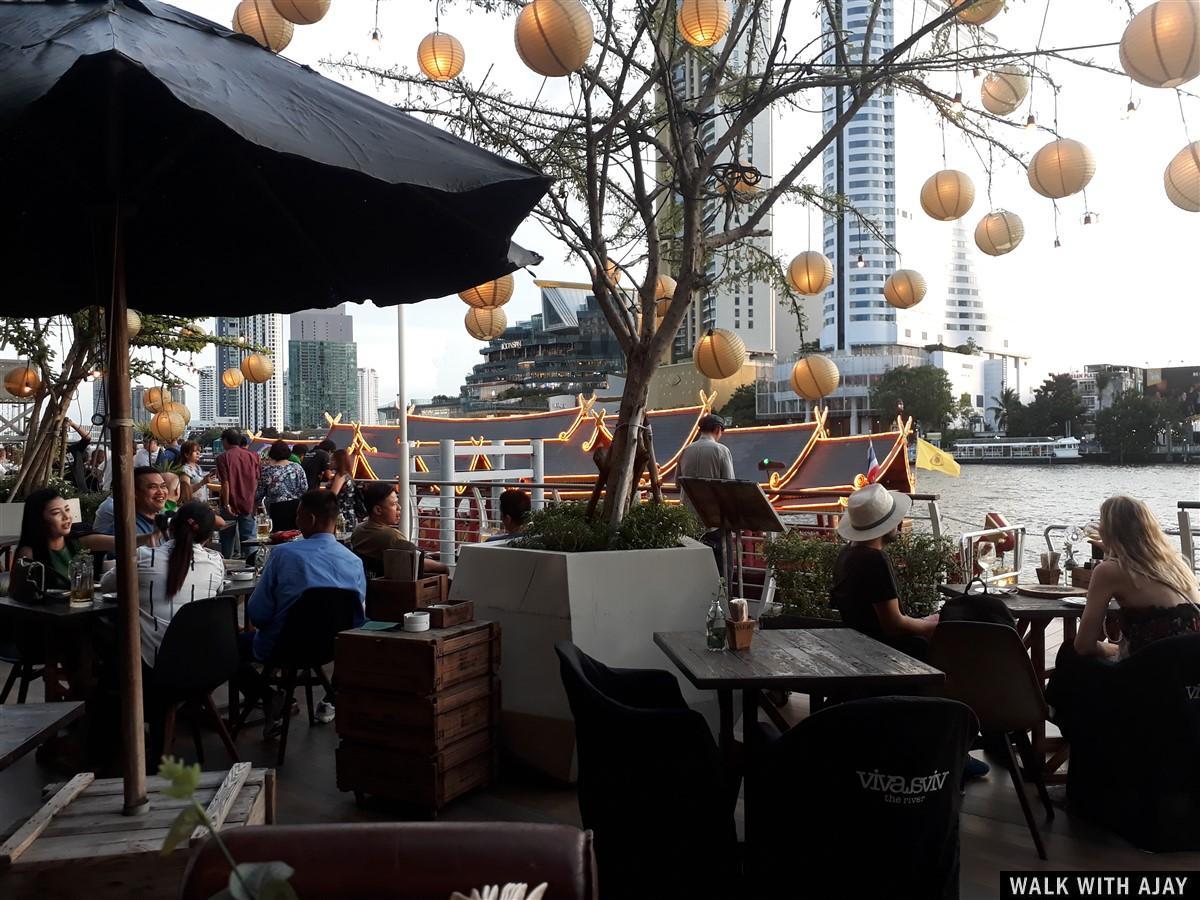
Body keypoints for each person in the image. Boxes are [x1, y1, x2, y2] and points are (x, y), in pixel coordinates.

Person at [245, 490, 366, 728]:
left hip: (282, 647)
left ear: (309, 519)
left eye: (298, 515)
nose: (295, 520)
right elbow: (358, 615)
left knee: (229, 647)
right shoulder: (353, 560)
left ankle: (270, 698)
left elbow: (258, 614)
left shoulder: (283, 555)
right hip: (331, 649)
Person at [1071, 495, 1200, 660]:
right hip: (1190, 674)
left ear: (1108, 530)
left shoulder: (1109, 571)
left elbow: (1083, 646)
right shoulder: (1178, 566)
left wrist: (1114, 650)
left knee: (1069, 655)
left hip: (1146, 676)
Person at [100, 501, 225, 666]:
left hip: (149, 662)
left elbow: (106, 585)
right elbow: (220, 589)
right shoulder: (215, 562)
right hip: (200, 663)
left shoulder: (143, 557)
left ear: (171, 525)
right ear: (208, 536)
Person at [830, 484, 938, 657]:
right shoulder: (874, 560)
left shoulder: (846, 554)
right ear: (886, 526)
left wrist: (924, 621)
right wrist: (937, 626)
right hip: (883, 651)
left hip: (859, 643)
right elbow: (894, 625)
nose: (899, 522)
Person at [12, 487, 159, 595]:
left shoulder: (78, 541)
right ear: (39, 519)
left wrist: (150, 536)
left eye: (67, 510)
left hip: (81, 612)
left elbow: (120, 542)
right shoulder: (29, 552)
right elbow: (19, 595)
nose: (66, 517)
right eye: (56, 513)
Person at [351, 482, 448, 577]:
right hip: (396, 589)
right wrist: (444, 567)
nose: (399, 507)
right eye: (393, 504)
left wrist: (430, 555)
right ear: (378, 510)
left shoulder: (358, 530)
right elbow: (419, 562)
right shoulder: (391, 537)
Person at [677, 414, 735, 567]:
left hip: (688, 519)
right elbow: (729, 484)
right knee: (721, 568)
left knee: (693, 567)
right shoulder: (721, 450)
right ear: (717, 429)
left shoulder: (686, 451)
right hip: (714, 520)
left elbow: (678, 483)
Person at [216, 428, 259, 558]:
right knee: (249, 539)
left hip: (230, 503)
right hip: (248, 503)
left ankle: (226, 566)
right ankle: (252, 567)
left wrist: (226, 503)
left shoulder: (223, 457)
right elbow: (257, 480)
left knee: (227, 539)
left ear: (225, 441)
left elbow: (225, 483)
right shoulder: (253, 456)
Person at [93, 466, 170, 537]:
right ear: (134, 492)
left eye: (163, 486)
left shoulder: (165, 519)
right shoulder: (126, 529)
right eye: (153, 487)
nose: (161, 492)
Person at [256, 440, 307, 516]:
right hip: (294, 507)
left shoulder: (267, 470)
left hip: (274, 508)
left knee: (276, 528)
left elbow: (260, 492)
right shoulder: (297, 467)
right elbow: (304, 488)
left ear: (272, 453)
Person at [326, 448, 359, 530]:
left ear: (338, 461)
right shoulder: (347, 475)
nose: (330, 462)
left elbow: (333, 494)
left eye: (333, 460)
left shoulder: (340, 475)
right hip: (349, 512)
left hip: (341, 514)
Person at [63, 418, 92, 493]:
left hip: (80, 489)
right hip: (62, 490)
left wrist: (72, 424)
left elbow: (87, 437)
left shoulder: (75, 448)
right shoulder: (49, 453)